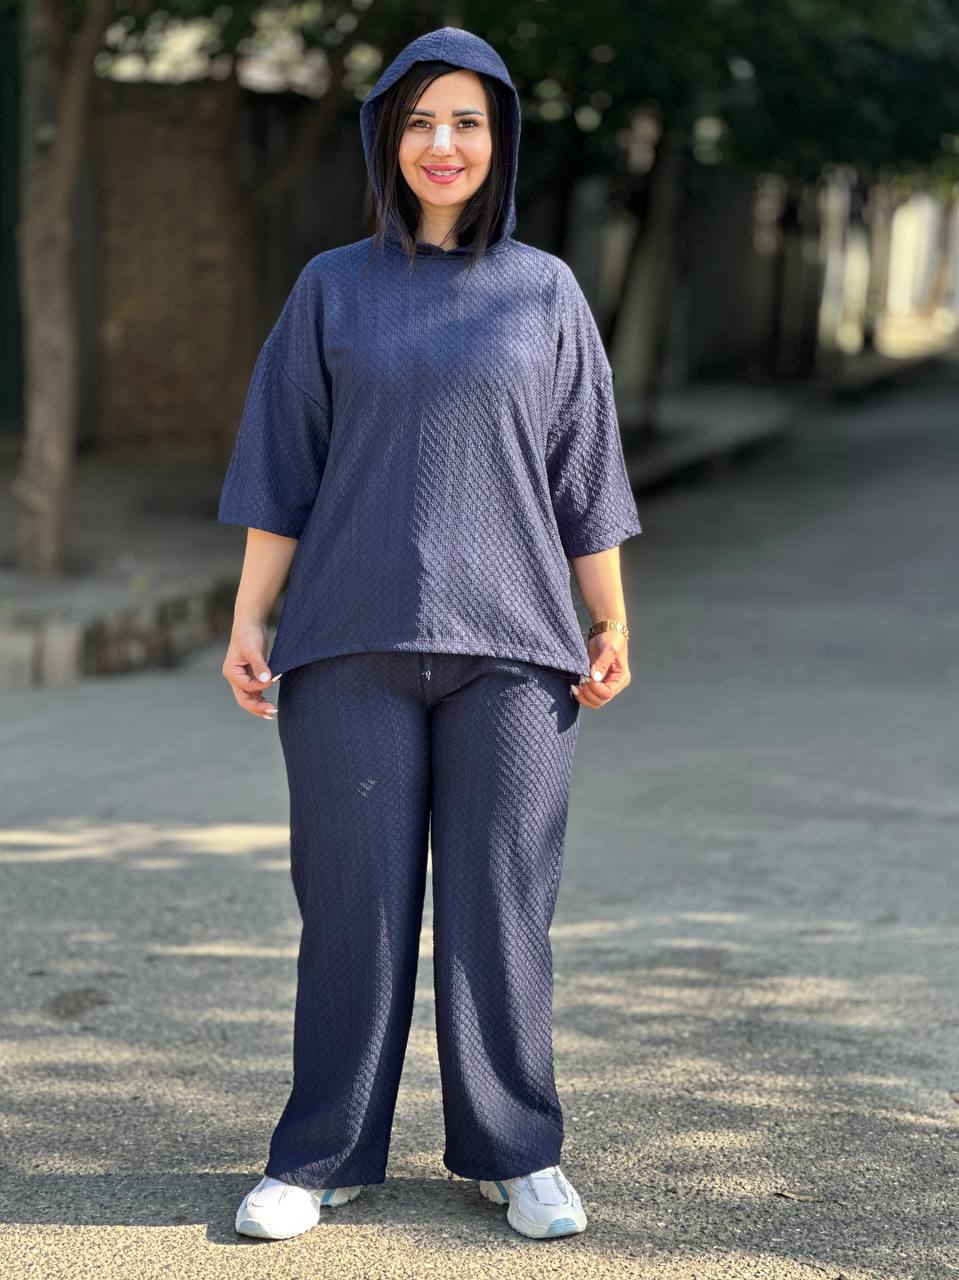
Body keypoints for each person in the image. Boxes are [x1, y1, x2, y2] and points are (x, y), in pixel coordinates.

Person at [218, 26, 642, 1243]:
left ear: (498, 139)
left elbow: (582, 473)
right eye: (416, 122)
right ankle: (318, 1154)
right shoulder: (330, 287)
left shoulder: (544, 291)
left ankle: (517, 1149)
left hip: (515, 648)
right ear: (384, 141)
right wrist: (250, 615)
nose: (440, 144)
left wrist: (609, 614)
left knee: (502, 908)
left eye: (464, 120)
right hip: (347, 639)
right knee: (350, 909)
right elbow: (282, 465)